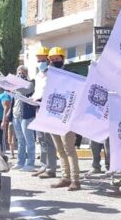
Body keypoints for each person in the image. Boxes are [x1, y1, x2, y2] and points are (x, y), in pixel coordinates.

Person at [46, 47, 81, 191]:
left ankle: (76, 180)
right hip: (53, 116)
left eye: (57, 59)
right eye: (52, 59)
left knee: (69, 149)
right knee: (59, 150)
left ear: (62, 58)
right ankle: (65, 177)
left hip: (67, 117)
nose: (55, 61)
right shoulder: (48, 76)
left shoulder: (71, 74)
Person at [31, 46, 58, 179]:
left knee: (49, 140)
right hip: (37, 107)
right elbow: (37, 91)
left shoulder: (53, 73)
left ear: (48, 60)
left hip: (47, 109)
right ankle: (43, 165)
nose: (40, 63)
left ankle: (51, 168)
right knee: (41, 139)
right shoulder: (38, 75)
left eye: (42, 60)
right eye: (38, 60)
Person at [12, 65, 37, 172]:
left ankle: (30, 163)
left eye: (22, 72)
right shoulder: (15, 85)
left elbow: (25, 92)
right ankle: (20, 162)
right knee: (20, 140)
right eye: (18, 72)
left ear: (26, 73)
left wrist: (12, 85)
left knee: (29, 140)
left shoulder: (30, 83)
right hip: (16, 115)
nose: (20, 74)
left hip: (26, 116)